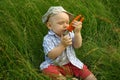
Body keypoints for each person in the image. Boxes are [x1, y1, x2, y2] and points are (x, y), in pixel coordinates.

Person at [40, 6, 97, 80]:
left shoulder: (70, 33)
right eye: (61, 23)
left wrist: (77, 33)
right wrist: (62, 45)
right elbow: (51, 55)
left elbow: (77, 45)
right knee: (48, 70)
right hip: (55, 65)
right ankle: (65, 78)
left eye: (67, 22)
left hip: (71, 63)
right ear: (50, 25)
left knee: (87, 74)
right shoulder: (48, 39)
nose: (65, 25)